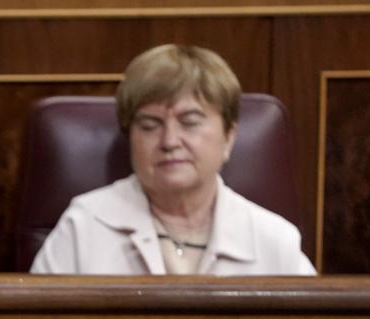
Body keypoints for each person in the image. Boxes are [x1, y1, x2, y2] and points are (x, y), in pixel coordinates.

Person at [30, 44, 316, 276]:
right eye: (150, 125)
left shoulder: (274, 241)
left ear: (229, 136)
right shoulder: (84, 226)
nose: (169, 141)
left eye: (189, 122)